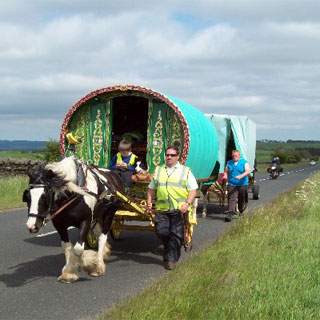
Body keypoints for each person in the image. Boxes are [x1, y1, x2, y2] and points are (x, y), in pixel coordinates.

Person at [147, 146, 198, 270]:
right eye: (167, 155)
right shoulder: (159, 170)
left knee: (176, 235)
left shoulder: (185, 171)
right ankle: (169, 247)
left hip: (179, 210)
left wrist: (187, 203)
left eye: (172, 155)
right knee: (161, 231)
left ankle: (171, 259)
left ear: (177, 157)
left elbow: (193, 189)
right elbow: (151, 188)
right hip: (162, 209)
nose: (169, 157)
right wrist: (149, 202)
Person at [223, 149, 251, 222]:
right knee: (232, 198)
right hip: (232, 184)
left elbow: (248, 171)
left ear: (239, 156)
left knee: (241, 197)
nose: (234, 157)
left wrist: (240, 176)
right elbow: (226, 171)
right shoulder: (229, 163)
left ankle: (241, 210)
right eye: (233, 156)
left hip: (242, 184)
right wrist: (225, 176)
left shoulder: (244, 162)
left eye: (236, 156)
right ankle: (230, 213)